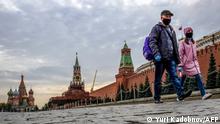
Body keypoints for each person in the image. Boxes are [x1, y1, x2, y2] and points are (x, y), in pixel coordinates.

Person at [149, 10, 192, 103]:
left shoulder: (171, 29)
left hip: (170, 58)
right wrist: (156, 54)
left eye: (170, 16)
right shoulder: (156, 28)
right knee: (158, 79)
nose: (168, 18)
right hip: (160, 58)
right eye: (167, 16)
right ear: (161, 17)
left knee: (174, 76)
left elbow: (174, 45)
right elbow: (152, 41)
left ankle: (180, 95)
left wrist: (177, 59)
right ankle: (157, 98)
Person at [178, 27, 212, 100]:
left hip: (193, 64)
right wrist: (180, 65)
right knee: (182, 79)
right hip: (184, 65)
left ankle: (203, 94)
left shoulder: (194, 42)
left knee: (198, 77)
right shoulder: (182, 43)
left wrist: (197, 64)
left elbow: (195, 54)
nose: (190, 33)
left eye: (191, 32)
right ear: (185, 34)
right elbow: (180, 54)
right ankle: (179, 95)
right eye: (188, 32)